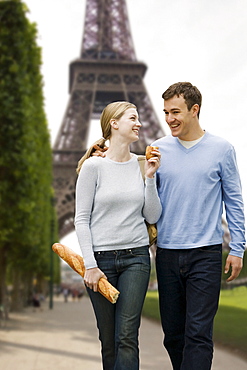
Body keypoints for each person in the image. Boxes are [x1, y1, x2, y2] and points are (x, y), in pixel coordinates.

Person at [152, 82, 246, 370]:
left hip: (205, 255)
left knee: (199, 334)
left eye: (176, 112)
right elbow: (147, 204)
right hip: (166, 255)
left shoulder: (221, 149)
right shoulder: (158, 149)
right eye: (166, 112)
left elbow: (234, 200)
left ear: (195, 110)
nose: (169, 119)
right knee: (173, 336)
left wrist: (238, 248)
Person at [74, 101, 162, 370]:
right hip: (100, 262)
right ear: (114, 123)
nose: (139, 123)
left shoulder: (141, 164)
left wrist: (149, 177)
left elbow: (153, 216)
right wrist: (90, 265)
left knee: (126, 337)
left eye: (139, 118)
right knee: (108, 340)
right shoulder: (92, 167)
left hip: (136, 258)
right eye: (132, 118)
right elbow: (81, 219)